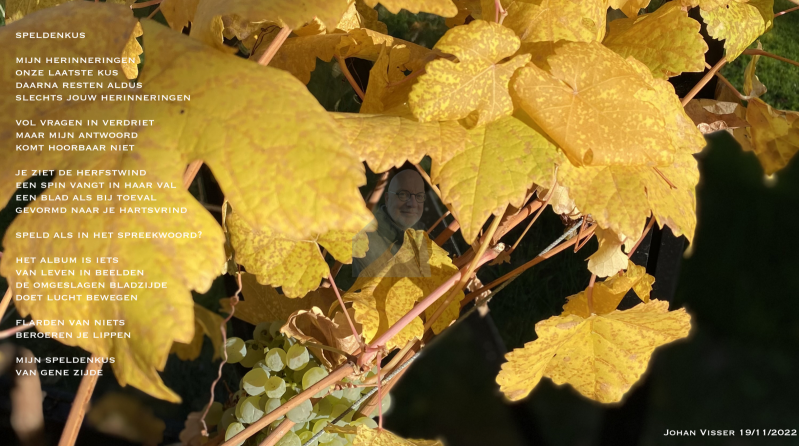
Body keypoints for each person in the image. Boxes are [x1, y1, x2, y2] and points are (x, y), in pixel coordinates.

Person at [352, 168, 429, 278]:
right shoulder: (366, 241)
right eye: (403, 194)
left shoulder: (424, 236)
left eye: (419, 196)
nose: (412, 204)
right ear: (387, 199)